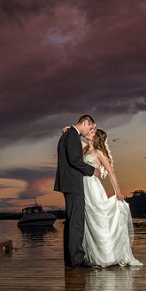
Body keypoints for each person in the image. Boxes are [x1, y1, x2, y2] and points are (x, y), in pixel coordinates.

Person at [79, 127, 142, 268]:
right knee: (89, 219)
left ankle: (108, 255)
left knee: (99, 219)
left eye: (92, 132)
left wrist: (118, 192)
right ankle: (94, 255)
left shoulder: (99, 152)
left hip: (93, 187)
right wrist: (70, 130)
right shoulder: (86, 149)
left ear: (97, 137)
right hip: (83, 187)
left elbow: (111, 172)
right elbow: (76, 139)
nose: (89, 132)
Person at [54, 115, 102, 269]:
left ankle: (71, 259)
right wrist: (92, 170)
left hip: (69, 183)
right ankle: (77, 260)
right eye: (91, 127)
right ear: (85, 122)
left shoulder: (70, 135)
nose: (90, 131)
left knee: (72, 222)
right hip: (73, 184)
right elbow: (74, 160)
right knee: (76, 222)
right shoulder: (72, 135)